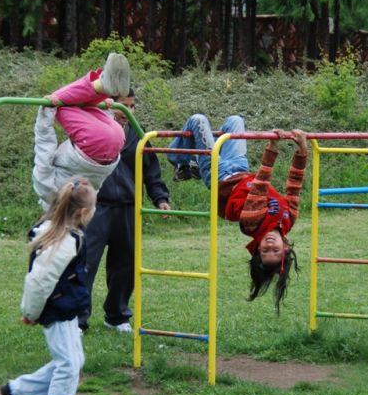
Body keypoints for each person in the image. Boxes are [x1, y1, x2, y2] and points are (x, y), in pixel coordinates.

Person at [167, 114, 308, 313]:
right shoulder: (289, 219)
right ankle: (194, 161)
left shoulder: (252, 225)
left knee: (198, 121)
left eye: (264, 251)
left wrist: (273, 147)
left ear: (257, 249)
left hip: (220, 177)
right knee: (235, 121)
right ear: (285, 247)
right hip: (240, 168)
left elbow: (260, 186)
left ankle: (177, 158)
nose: (269, 246)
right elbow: (294, 185)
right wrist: (302, 150)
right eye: (275, 251)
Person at [0, 178, 96, 395]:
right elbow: (39, 280)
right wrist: (30, 312)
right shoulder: (63, 241)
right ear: (82, 212)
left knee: (73, 361)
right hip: (58, 309)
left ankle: (17, 392)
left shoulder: (67, 234)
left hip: (67, 306)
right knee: (68, 365)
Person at [78, 89, 171, 333]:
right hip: (95, 207)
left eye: (132, 106)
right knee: (86, 262)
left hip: (128, 208)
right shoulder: (92, 129)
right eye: (123, 106)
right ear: (108, 105)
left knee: (126, 264)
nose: (128, 111)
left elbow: (150, 169)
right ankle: (77, 319)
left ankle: (117, 316)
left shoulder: (138, 133)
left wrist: (160, 197)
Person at [31, 52, 131, 211]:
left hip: (115, 139)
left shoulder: (83, 204)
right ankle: (101, 85)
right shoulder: (46, 190)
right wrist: (46, 112)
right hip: (93, 142)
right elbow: (45, 147)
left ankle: (105, 89)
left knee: (74, 104)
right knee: (58, 102)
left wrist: (105, 110)